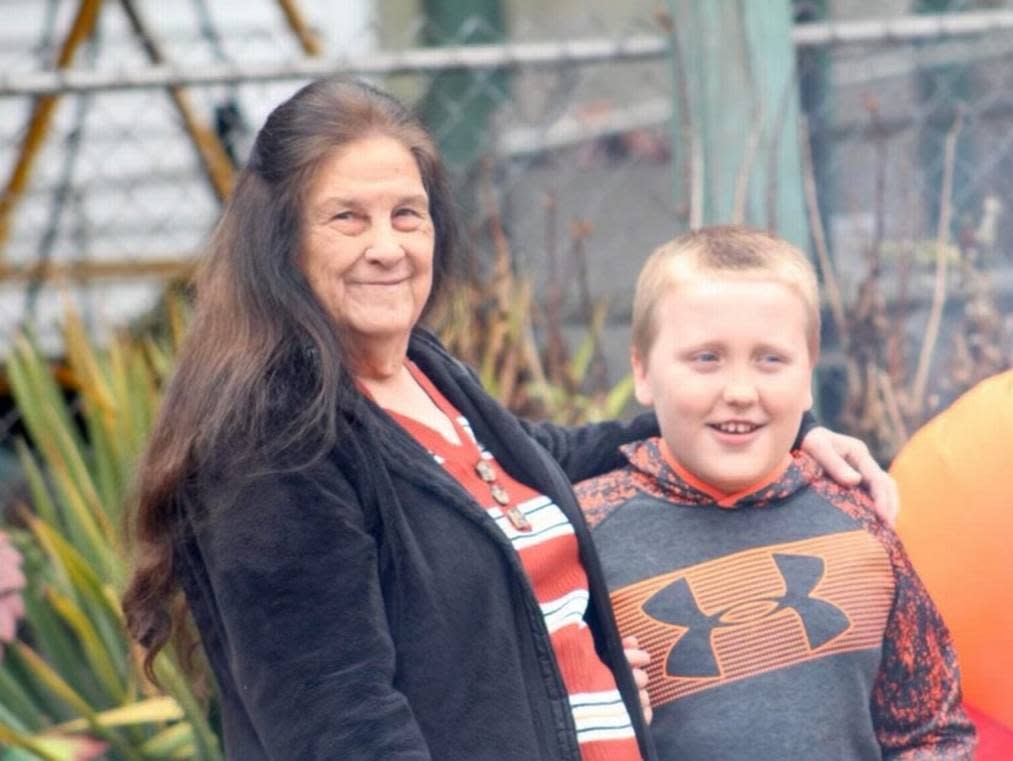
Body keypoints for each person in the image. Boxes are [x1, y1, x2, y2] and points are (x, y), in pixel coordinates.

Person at [120, 78, 896, 760]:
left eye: (407, 214)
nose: (387, 247)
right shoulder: (272, 443)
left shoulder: (428, 378)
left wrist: (769, 424)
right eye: (347, 219)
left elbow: (552, 457)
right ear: (281, 241)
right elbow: (343, 724)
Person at [576, 226, 976, 760]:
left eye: (770, 360)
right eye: (706, 359)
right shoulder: (580, 537)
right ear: (643, 373)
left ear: (809, 377)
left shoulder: (860, 522)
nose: (740, 393)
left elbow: (933, 731)